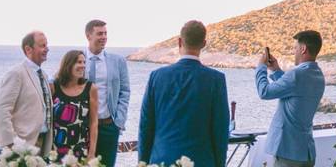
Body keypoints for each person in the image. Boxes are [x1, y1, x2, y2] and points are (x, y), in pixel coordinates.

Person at [138, 21, 229, 167]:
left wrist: (142, 162)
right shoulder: (215, 80)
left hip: (162, 160)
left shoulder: (157, 77)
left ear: (179, 41)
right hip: (201, 161)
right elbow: (220, 129)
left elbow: (145, 125)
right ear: (204, 43)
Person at [256, 30, 326, 167]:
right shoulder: (318, 75)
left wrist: (261, 67)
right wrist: (276, 70)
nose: (294, 52)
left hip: (288, 152)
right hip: (306, 152)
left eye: (295, 48)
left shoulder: (296, 74)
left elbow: (264, 92)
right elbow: (292, 90)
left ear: (303, 49)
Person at [0, 31, 54, 154]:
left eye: (47, 45)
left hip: (41, 143)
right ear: (28, 49)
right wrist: (11, 144)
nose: (47, 49)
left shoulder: (43, 75)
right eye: (42, 46)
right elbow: (1, 110)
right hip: (20, 145)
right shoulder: (16, 74)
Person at [84, 20, 130, 167]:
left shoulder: (118, 61)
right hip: (82, 128)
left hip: (108, 127)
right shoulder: (78, 60)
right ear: (88, 35)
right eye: (99, 33)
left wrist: (119, 122)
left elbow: (125, 91)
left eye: (105, 33)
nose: (104, 37)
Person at [52, 50, 98, 160]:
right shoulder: (54, 87)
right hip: (55, 151)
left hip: (80, 151)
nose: (83, 66)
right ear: (68, 64)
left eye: (84, 62)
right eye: (79, 62)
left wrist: (91, 153)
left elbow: (94, 123)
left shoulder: (90, 88)